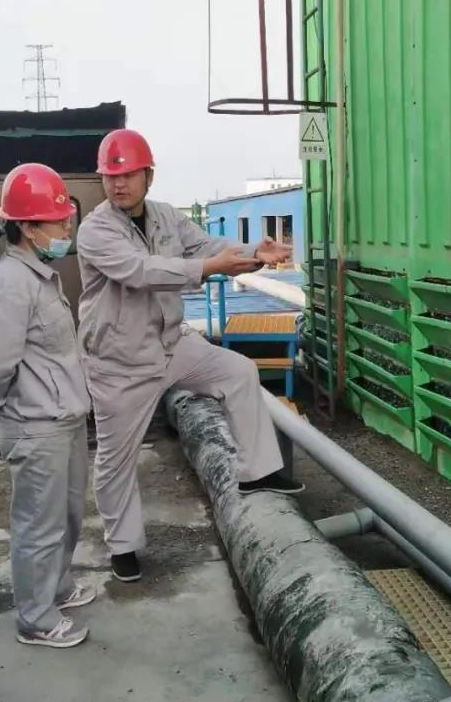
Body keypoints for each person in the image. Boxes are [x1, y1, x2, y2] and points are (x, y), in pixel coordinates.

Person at [77, 128, 305, 584]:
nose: (118, 184)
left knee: (238, 371)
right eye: (110, 176)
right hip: (121, 361)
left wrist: (253, 252)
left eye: (128, 175)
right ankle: (123, 546)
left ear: (149, 175)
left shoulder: (165, 216)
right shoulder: (95, 230)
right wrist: (208, 268)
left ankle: (257, 471)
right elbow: (141, 271)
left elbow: (205, 247)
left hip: (170, 342)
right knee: (117, 459)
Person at [0, 163, 94, 648]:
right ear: (26, 226)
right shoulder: (9, 284)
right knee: (39, 525)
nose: (66, 227)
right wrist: (1, 409)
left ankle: (56, 587)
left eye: (66, 218)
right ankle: (35, 619)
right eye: (58, 220)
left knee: (66, 515)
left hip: (63, 418)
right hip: (36, 424)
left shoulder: (39, 275)